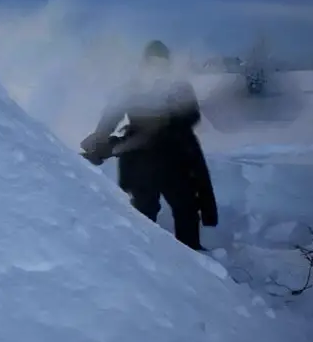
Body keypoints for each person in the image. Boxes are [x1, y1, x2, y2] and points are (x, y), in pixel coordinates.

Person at [80, 40, 218, 251]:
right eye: (152, 61)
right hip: (140, 160)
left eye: (161, 62)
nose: (157, 66)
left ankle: (192, 255)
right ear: (145, 63)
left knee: (186, 208)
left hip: (176, 158)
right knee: (143, 210)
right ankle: (144, 258)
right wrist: (100, 140)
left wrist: (169, 118)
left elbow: (192, 115)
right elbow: (111, 117)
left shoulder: (179, 88)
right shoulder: (131, 88)